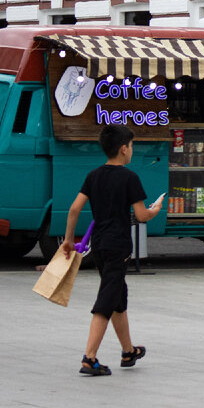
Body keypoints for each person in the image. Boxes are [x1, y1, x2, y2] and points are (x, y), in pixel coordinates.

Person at [61, 124, 162, 376]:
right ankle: (89, 358)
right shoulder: (130, 178)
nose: (132, 150)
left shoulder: (93, 175)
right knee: (107, 299)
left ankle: (128, 351)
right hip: (118, 246)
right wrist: (155, 209)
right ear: (123, 148)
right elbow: (141, 215)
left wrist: (68, 239)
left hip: (101, 246)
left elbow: (74, 209)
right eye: (132, 146)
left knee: (117, 296)